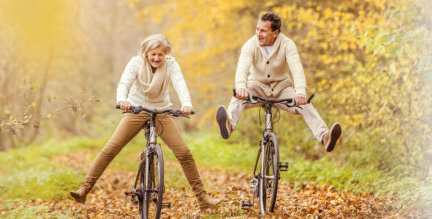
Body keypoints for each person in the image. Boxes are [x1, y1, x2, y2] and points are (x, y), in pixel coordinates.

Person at [69, 34, 221, 209]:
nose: (157, 58)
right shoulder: (136, 63)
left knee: (184, 153)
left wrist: (186, 103)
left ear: (166, 55)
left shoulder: (171, 64)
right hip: (136, 109)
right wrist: (122, 100)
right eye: (153, 54)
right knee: (111, 148)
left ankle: (203, 199)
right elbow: (124, 83)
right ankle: (84, 190)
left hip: (162, 111)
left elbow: (180, 84)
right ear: (146, 53)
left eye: (160, 54)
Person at [216, 12, 342, 151]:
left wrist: (300, 91)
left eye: (263, 31)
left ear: (275, 33)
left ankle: (324, 137)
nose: (258, 33)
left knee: (305, 105)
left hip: (282, 89)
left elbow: (297, 69)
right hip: (256, 87)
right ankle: (229, 125)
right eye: (257, 29)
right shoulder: (250, 45)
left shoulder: (288, 44)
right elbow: (242, 68)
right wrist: (241, 87)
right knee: (237, 99)